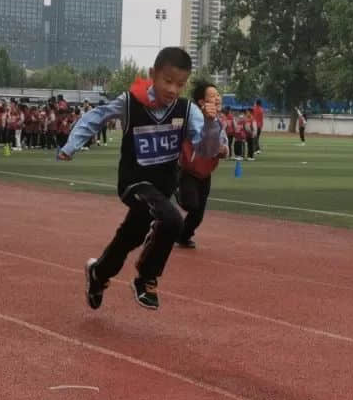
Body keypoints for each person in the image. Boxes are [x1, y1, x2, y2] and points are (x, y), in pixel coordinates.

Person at [58, 47, 222, 311]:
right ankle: (146, 277)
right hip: (134, 184)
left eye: (179, 84)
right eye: (167, 81)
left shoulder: (187, 110)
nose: (172, 89)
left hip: (162, 187)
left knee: (130, 237)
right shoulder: (129, 101)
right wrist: (71, 145)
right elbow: (96, 117)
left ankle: (99, 273)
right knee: (172, 220)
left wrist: (213, 125)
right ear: (152, 75)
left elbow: (205, 149)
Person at [176, 82, 230, 249]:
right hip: (188, 171)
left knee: (198, 214)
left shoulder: (220, 123)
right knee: (190, 203)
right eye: (213, 96)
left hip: (205, 174)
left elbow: (225, 149)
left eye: (218, 95)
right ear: (202, 102)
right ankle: (177, 192)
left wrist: (223, 150)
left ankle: (183, 236)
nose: (218, 98)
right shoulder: (192, 118)